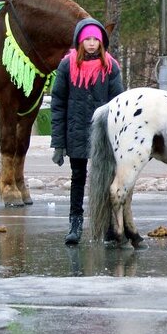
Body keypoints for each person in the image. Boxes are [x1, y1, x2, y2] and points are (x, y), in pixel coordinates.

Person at [50, 18, 124, 244]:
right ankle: (75, 224)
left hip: (104, 136)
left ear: (101, 42)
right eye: (87, 39)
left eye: (95, 39)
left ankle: (109, 226)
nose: (91, 43)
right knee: (78, 178)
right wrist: (58, 143)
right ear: (80, 42)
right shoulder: (67, 65)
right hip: (77, 132)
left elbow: (119, 104)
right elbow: (58, 103)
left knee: (105, 180)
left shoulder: (111, 67)